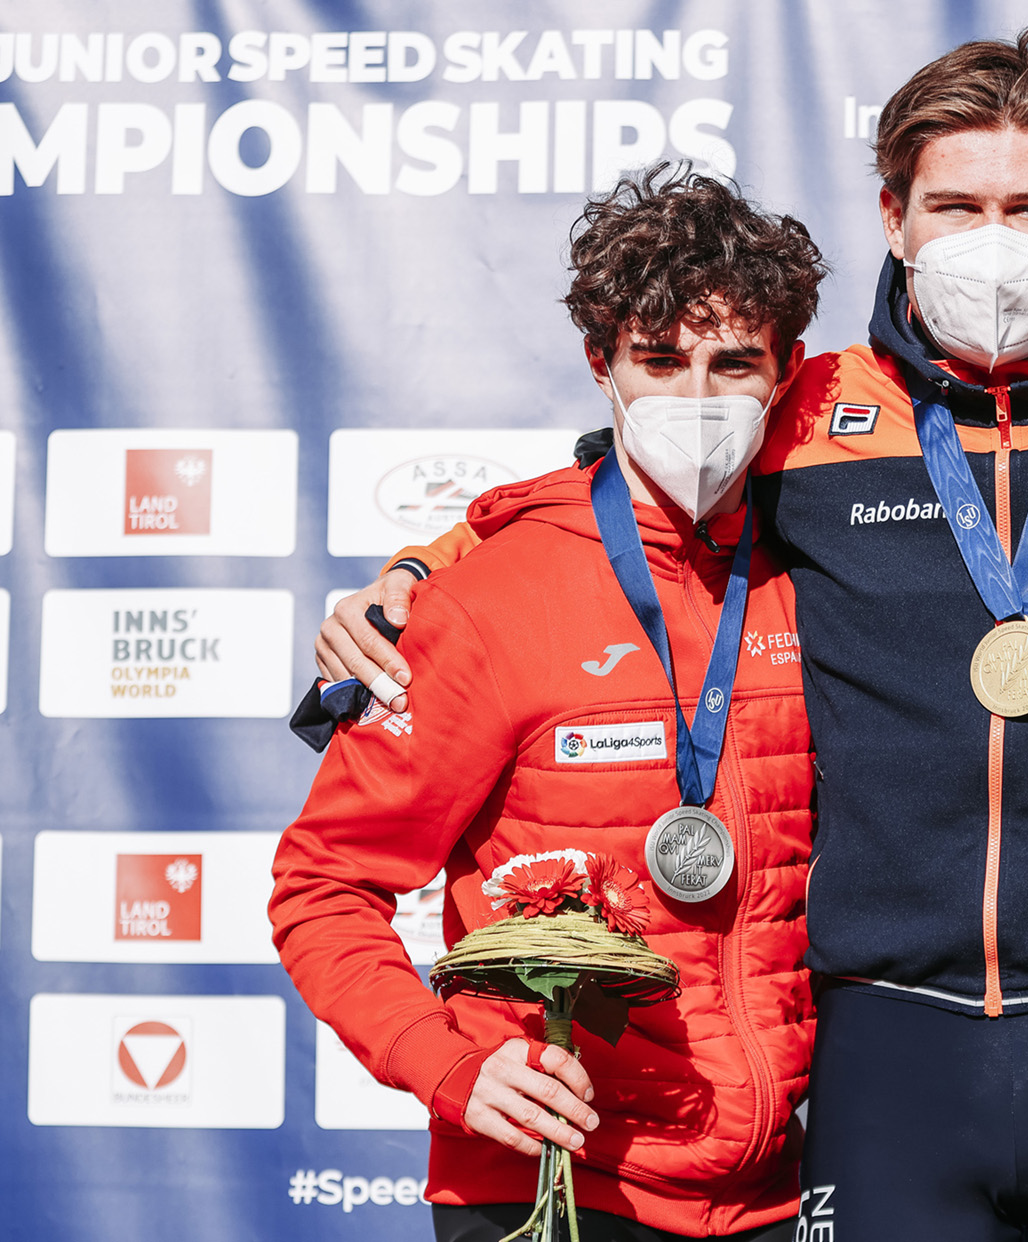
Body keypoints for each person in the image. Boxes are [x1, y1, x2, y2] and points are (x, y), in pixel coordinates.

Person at [314, 19, 1028, 1241]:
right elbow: (611, 490)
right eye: (953, 205)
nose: (991, 242)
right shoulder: (806, 405)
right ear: (893, 215)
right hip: (883, 1024)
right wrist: (419, 567)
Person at [270, 166, 827, 1242]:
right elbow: (323, 885)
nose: (697, 398)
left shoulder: (827, 572)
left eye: (734, 363)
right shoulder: (483, 597)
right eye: (659, 361)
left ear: (787, 369)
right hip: (545, 1184)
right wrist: (450, 1064)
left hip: (779, 1190)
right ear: (600, 364)